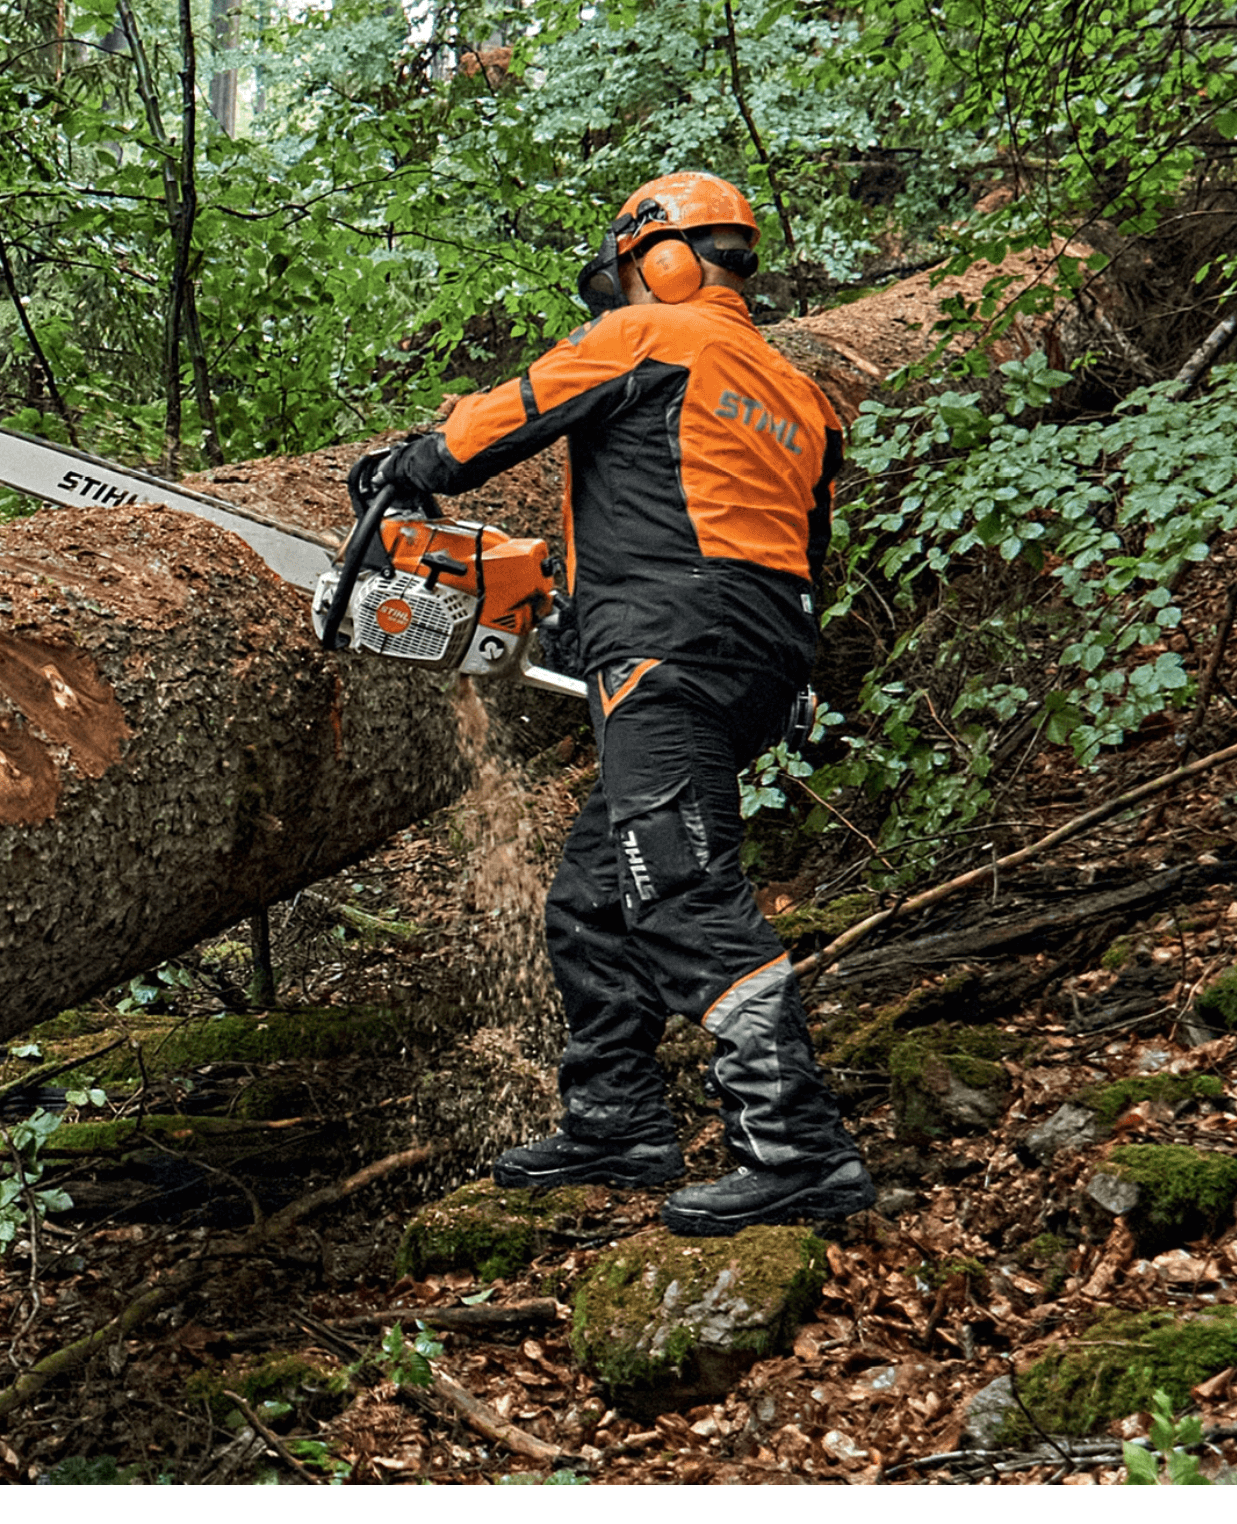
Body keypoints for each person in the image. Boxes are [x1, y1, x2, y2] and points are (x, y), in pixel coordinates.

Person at [350, 172, 875, 1236]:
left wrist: (405, 469)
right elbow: (788, 549)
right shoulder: (800, 394)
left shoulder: (649, 334)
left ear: (661, 258)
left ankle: (795, 1146)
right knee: (593, 895)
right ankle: (616, 1116)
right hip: (752, 649)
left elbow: (507, 416)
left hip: (671, 650)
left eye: (631, 271)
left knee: (676, 889)